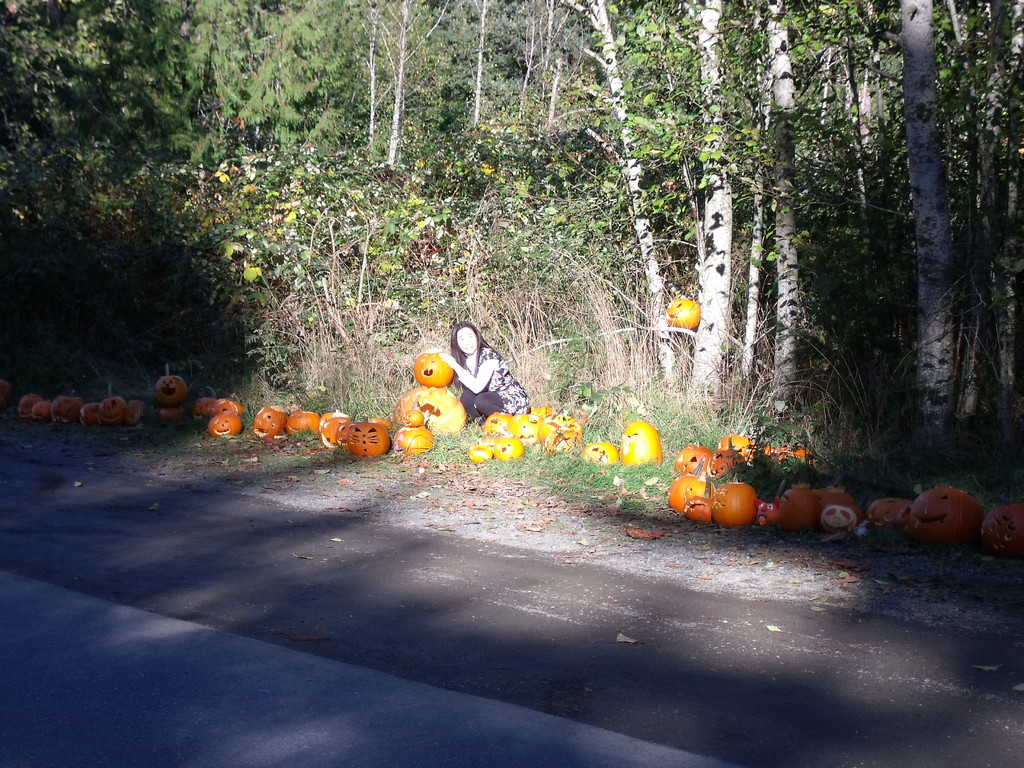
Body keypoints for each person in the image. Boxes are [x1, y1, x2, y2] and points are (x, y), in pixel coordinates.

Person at [439, 321, 529, 423]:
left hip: (511, 399)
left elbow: (477, 387)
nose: (467, 342)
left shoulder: (488, 355)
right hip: (490, 398)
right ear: (457, 344)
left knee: (482, 400)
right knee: (466, 397)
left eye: (470, 336)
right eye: (462, 339)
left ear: (477, 337)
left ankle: (508, 424)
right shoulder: (464, 360)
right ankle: (485, 425)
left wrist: (455, 365)